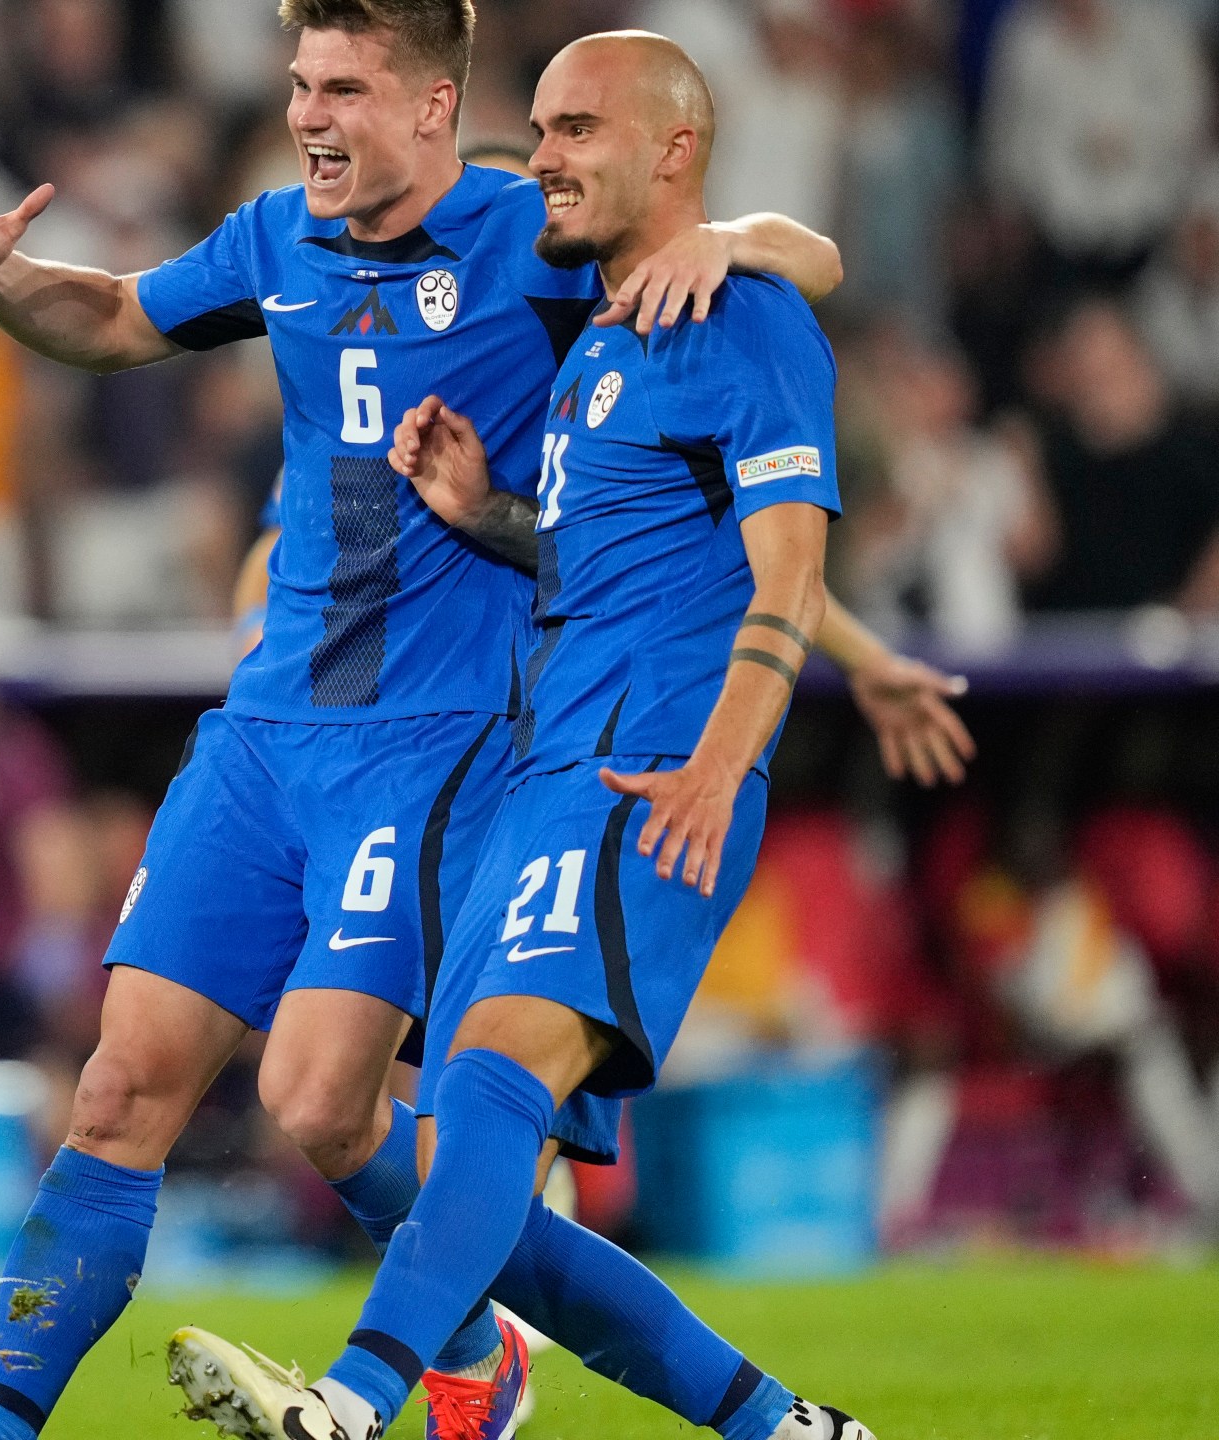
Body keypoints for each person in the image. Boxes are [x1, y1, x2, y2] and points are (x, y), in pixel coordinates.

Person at [0, 3, 960, 1439]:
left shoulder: (534, 244)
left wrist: (738, 243)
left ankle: (496, 1340)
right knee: (120, 1084)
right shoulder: (277, 241)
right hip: (270, 728)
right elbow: (123, 316)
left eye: (344, 90)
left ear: (436, 104)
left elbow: (734, 405)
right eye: (298, 85)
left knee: (322, 1105)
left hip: (440, 741)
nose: (308, 117)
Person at [166, 31, 877, 1440]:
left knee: (486, 1081)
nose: (543, 153)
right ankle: (785, 1428)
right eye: (539, 128)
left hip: (645, 770)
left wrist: (722, 765)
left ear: (674, 150)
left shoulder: (739, 315)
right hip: (541, 776)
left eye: (579, 130)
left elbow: (788, 576)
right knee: (468, 1148)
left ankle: (359, 1403)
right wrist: (485, 514)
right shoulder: (595, 346)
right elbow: (600, 567)